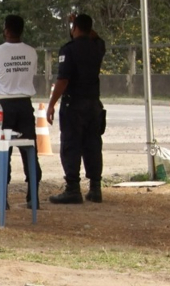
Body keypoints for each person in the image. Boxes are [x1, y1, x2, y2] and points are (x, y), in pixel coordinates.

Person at [0, 14, 41, 211]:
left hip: (3, 106)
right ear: (22, 30)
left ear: (6, 30)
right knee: (30, 150)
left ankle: (2, 198)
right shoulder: (32, 52)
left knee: (2, 150)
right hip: (25, 105)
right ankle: (33, 197)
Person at [45, 13, 107, 204]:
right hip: (93, 104)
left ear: (75, 29)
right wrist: (80, 23)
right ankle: (95, 188)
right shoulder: (98, 47)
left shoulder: (68, 50)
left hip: (74, 105)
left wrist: (51, 104)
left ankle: (73, 188)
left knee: (71, 144)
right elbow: (96, 36)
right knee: (93, 145)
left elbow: (63, 80)